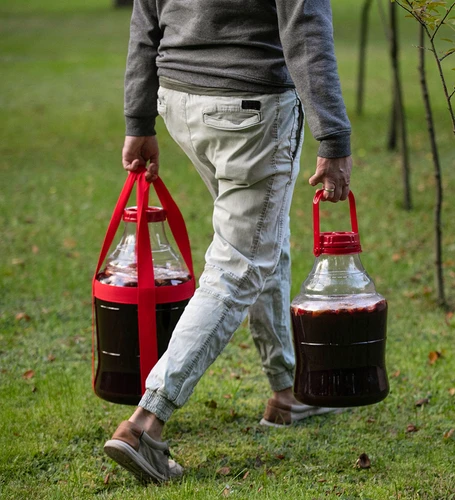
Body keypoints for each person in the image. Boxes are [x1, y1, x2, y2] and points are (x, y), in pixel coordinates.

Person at [103, 0, 353, 484]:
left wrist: (139, 119)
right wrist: (334, 136)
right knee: (239, 264)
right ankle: (145, 425)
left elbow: (145, 18)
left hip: (180, 102)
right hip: (250, 107)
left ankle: (288, 390)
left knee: (262, 237)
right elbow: (306, 26)